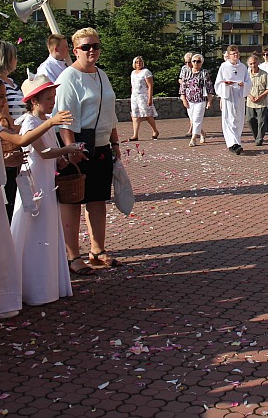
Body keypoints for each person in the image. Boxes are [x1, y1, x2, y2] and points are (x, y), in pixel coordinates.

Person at [0, 76, 70, 317]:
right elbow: (22, 140)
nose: (5, 102)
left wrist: (7, 161)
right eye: (1, 97)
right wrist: (51, 122)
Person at [54, 28, 121, 271]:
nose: (92, 50)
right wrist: (71, 148)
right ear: (75, 50)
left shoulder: (102, 75)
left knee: (97, 199)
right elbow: (64, 117)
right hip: (77, 146)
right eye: (86, 47)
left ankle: (97, 250)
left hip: (101, 145)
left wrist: (115, 142)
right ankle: (73, 256)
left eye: (95, 45)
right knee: (72, 201)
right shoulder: (68, 78)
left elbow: (110, 112)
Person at [12, 76, 78, 304]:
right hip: (35, 182)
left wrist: (60, 159)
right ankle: (33, 286)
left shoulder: (46, 120)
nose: (52, 101)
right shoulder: (31, 123)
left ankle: (48, 284)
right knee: (34, 228)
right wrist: (67, 149)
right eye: (48, 98)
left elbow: (51, 151)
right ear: (35, 100)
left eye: (53, 97)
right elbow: (43, 152)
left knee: (48, 227)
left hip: (46, 181)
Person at [0, 40, 25, 221]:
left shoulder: (12, 82)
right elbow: (3, 116)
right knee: (8, 192)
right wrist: (19, 130)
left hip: (17, 136)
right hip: (8, 140)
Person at [214, 45, 252, 154]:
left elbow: (249, 83)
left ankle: (236, 143)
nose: (235, 55)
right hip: (228, 96)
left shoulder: (243, 67)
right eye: (233, 54)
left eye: (237, 53)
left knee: (238, 119)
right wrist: (225, 84)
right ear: (229, 55)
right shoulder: (224, 67)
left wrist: (243, 84)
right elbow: (218, 83)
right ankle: (233, 144)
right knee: (229, 119)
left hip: (239, 95)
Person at [180, 54, 213, 146]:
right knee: (193, 120)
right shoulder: (187, 72)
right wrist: (183, 99)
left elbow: (209, 87)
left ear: (201, 63)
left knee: (197, 119)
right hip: (189, 99)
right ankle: (203, 133)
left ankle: (193, 139)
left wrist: (209, 101)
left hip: (200, 99)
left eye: (198, 61)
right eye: (194, 61)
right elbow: (183, 87)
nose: (195, 63)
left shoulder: (204, 73)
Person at [128, 56, 160, 141]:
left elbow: (150, 86)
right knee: (135, 116)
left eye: (140, 62)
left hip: (143, 96)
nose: (138, 63)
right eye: (136, 62)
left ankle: (155, 131)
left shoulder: (146, 72)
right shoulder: (133, 73)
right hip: (135, 97)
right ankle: (135, 135)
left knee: (147, 115)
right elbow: (132, 86)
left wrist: (150, 98)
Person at [246, 54, 268, 146]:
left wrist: (260, 97)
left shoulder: (264, 74)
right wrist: (250, 96)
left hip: (261, 102)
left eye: (255, 63)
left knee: (261, 121)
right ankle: (256, 135)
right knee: (249, 120)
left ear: (258, 63)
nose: (253, 65)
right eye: (251, 63)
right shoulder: (246, 75)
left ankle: (259, 138)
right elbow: (244, 88)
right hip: (250, 101)